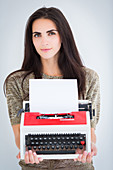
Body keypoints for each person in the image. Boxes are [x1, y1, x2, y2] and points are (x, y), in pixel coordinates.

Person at [4, 7, 100, 170]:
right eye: (37, 35)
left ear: (63, 36)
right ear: (31, 39)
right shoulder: (16, 81)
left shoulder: (88, 78)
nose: (44, 42)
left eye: (51, 33)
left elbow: (89, 131)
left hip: (78, 166)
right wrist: (25, 148)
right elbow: (19, 136)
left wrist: (90, 146)